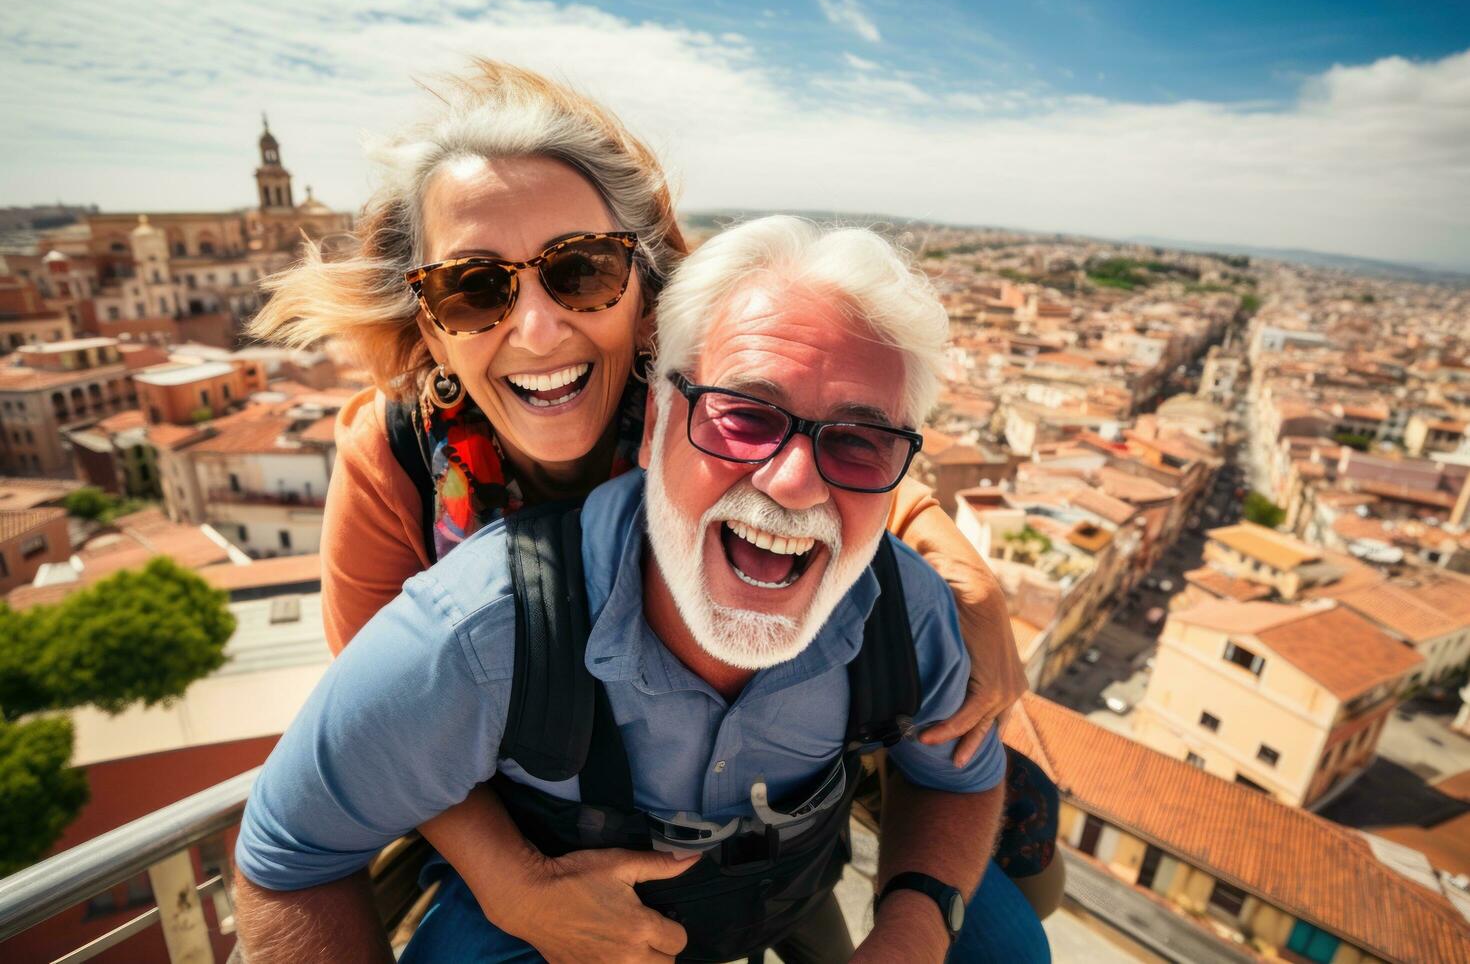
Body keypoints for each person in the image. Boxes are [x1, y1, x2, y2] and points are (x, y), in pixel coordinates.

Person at [246, 61, 1038, 955]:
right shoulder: (395, 465)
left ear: (645, 295)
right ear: (429, 324)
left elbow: (834, 459)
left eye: (579, 272)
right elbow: (385, 717)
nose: (538, 329)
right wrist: (518, 887)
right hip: (537, 824)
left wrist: (964, 578)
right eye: (473, 288)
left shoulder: (703, 396)